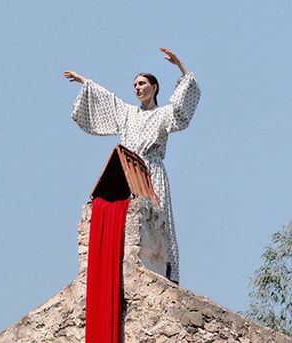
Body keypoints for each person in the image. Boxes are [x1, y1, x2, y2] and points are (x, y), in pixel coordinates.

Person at [64, 48, 200, 283]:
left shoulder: (164, 114)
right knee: (124, 217)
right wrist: (84, 81)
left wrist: (180, 65)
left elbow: (183, 105)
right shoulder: (128, 113)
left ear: (154, 87)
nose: (137, 88)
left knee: (157, 219)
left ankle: (165, 273)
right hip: (127, 171)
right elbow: (106, 98)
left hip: (152, 172)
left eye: (142, 83)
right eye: (135, 84)